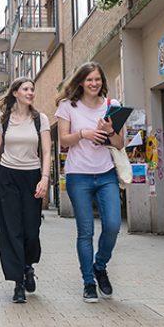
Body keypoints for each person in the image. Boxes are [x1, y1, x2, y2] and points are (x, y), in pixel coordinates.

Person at [55, 62, 124, 302]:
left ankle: (100, 265)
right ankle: (88, 282)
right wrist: (84, 133)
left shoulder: (111, 106)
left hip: (106, 174)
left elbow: (119, 144)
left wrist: (110, 131)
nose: (94, 83)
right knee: (85, 231)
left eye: (98, 79)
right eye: (89, 80)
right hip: (78, 176)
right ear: (81, 82)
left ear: (102, 81)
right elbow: (63, 140)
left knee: (113, 225)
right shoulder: (68, 106)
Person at [0, 77, 51, 303]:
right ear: (15, 92)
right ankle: (18, 283)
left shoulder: (40, 119)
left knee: (31, 229)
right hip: (7, 177)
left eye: (32, 89)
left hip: (32, 176)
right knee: (11, 229)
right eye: (26, 89)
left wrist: (45, 178)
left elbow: (46, 152)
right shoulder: (3, 120)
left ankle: (28, 266)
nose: (30, 92)